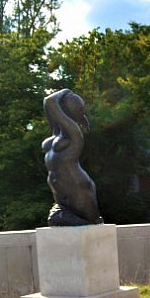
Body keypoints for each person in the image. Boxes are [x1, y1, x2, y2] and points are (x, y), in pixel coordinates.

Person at [42, 88, 103, 226]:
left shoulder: (74, 134)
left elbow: (49, 101)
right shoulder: (57, 133)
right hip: (61, 191)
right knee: (59, 220)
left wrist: (66, 90)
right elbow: (47, 105)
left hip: (77, 187)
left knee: (88, 223)